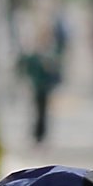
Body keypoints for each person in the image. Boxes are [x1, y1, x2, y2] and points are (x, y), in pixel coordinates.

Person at [19, 7, 67, 144]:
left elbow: (54, 69)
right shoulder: (36, 55)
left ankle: (41, 135)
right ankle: (37, 134)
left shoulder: (50, 54)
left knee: (44, 112)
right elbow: (29, 66)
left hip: (45, 86)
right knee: (36, 111)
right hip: (37, 85)